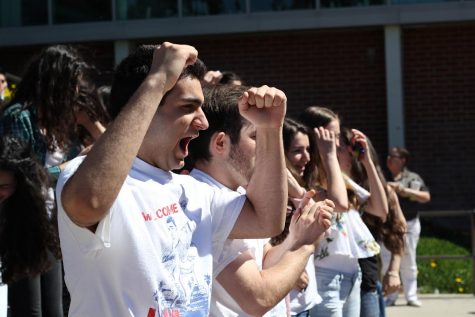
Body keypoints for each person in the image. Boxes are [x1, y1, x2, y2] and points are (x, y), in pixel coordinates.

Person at [57, 43, 288, 316]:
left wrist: (270, 129)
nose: (202, 122)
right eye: (188, 107)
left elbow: (267, 219)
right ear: (146, 105)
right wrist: (157, 80)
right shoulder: (85, 174)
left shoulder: (192, 190)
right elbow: (89, 202)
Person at [187, 85, 334, 317]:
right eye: (256, 136)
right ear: (221, 144)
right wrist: (306, 245)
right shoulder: (204, 201)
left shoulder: (233, 197)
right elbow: (258, 297)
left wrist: (298, 234)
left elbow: (264, 259)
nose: (265, 148)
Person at [0, 44, 105, 316]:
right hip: (25, 226)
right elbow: (22, 174)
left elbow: (110, 152)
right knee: (29, 310)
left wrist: (91, 126)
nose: (75, 93)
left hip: (55, 228)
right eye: (70, 85)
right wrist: (71, 166)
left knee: (56, 308)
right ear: (53, 83)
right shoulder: (19, 117)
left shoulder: (63, 124)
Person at [299, 106, 387, 317]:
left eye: (338, 136)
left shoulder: (340, 177)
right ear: (315, 136)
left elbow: (380, 208)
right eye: (332, 136)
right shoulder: (306, 178)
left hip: (351, 274)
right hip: (324, 275)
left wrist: (367, 163)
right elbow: (339, 203)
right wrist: (328, 155)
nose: (338, 143)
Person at [0, 136, 62, 317]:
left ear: (21, 185)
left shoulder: (29, 209)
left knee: (49, 311)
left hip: (35, 238)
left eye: (4, 186)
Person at [384, 146, 430, 307]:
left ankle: (411, 296)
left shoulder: (412, 177)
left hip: (409, 223)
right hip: (386, 225)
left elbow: (426, 196)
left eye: (393, 157)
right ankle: (390, 296)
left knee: (408, 259)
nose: (389, 159)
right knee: (386, 259)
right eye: (388, 156)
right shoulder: (382, 174)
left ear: (403, 160)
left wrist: (404, 190)